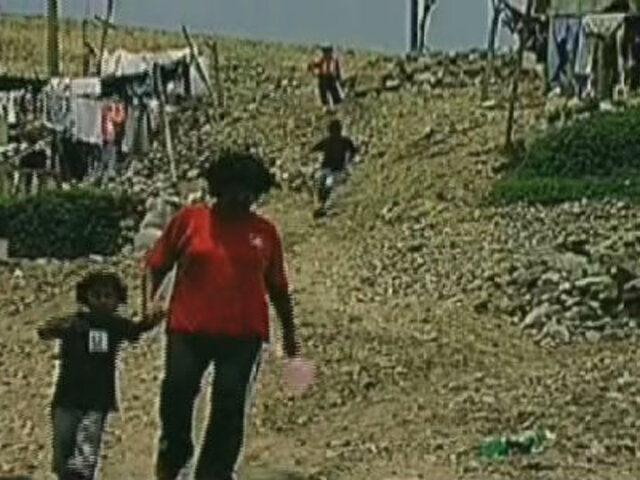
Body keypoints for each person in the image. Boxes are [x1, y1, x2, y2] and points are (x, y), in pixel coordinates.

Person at [144, 149, 313, 480]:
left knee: (229, 404)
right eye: (236, 189)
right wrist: (149, 304)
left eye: (250, 192)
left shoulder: (265, 233)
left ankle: (215, 472)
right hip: (188, 329)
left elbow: (278, 287)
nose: (243, 198)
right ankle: (173, 454)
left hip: (243, 334)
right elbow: (156, 264)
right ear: (219, 187)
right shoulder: (190, 221)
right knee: (177, 392)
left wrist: (290, 333)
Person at [37, 270, 162, 480]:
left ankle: (81, 475)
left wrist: (152, 319)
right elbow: (45, 331)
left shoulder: (116, 326)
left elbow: (136, 331)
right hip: (67, 395)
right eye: (96, 295)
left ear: (118, 300)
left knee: (88, 443)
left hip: (98, 398)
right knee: (63, 441)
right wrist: (52, 327)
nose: (102, 301)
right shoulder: (74, 323)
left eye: (108, 296)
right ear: (85, 297)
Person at [310, 118, 358, 218]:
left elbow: (314, 149)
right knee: (324, 186)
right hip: (332, 169)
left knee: (325, 186)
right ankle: (321, 206)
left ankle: (321, 207)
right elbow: (353, 150)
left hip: (332, 170)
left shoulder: (332, 141)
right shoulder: (343, 141)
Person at [308, 44, 344, 109]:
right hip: (322, 77)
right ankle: (325, 104)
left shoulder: (334, 60)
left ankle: (337, 103)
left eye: (327, 51)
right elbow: (316, 65)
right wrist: (311, 67)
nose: (326, 53)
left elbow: (337, 68)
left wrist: (338, 77)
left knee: (333, 90)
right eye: (325, 52)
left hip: (331, 77)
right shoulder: (322, 60)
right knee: (323, 91)